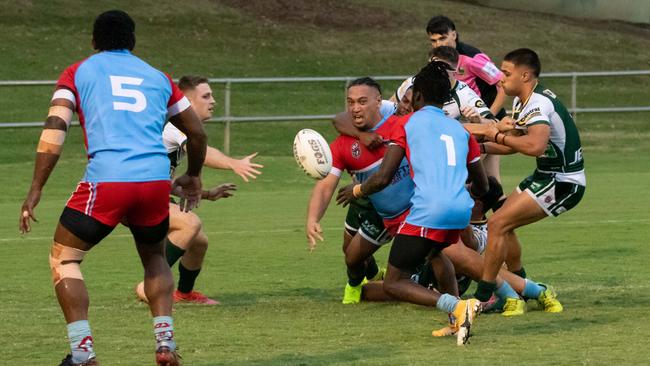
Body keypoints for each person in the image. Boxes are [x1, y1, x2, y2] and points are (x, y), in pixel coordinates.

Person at [18, 10, 206, 365]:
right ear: (133, 42)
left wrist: (36, 187)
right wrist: (194, 175)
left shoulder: (78, 72)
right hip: (152, 183)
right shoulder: (158, 77)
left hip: (107, 182)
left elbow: (55, 129)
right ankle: (165, 345)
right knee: (154, 258)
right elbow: (196, 131)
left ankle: (82, 354)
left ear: (93, 42)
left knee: (64, 259)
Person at [337, 61, 490, 346]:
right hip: (460, 211)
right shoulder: (460, 131)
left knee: (395, 282)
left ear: (417, 96)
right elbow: (483, 186)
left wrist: (357, 190)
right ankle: (457, 321)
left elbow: (383, 178)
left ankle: (457, 306)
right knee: (438, 254)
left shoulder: (405, 124)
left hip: (429, 210)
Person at [472, 48, 585, 314]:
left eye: (506, 73)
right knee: (502, 220)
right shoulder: (525, 101)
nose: (500, 78)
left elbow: (534, 145)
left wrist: (496, 136)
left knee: (497, 224)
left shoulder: (537, 103)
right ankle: (522, 288)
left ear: (525, 75)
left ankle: (484, 295)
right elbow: (516, 145)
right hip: (547, 175)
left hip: (563, 181)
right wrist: (484, 148)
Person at [135, 75, 263, 305]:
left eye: (212, 95)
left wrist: (206, 194)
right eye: (206, 96)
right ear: (186, 101)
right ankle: (149, 284)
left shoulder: (174, 127)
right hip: (136, 198)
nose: (213, 101)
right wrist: (234, 163)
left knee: (198, 242)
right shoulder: (177, 124)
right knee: (190, 223)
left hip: (149, 195)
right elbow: (203, 151)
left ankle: (183, 293)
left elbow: (162, 179)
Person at [306, 77, 413, 304]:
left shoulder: (399, 123)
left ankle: (485, 289)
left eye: (362, 102)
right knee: (352, 256)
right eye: (351, 102)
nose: (355, 108)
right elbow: (326, 185)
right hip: (386, 215)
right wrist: (313, 218)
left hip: (418, 212)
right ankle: (355, 285)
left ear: (378, 102)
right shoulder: (343, 145)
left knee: (422, 275)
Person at [426, 15, 505, 185]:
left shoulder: (472, 57)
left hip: (482, 123)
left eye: (443, 38)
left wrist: (488, 117)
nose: (439, 44)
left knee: (464, 180)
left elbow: (503, 84)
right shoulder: (440, 60)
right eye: (434, 41)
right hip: (466, 124)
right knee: (490, 183)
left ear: (454, 34)